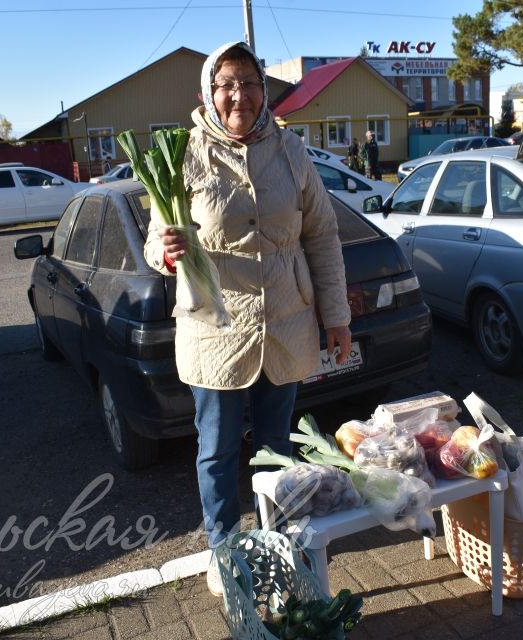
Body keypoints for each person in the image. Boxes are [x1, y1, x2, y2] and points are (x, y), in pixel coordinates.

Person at [143, 42, 352, 596]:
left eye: (250, 82)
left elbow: (322, 235)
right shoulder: (184, 154)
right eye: (227, 84)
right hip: (216, 329)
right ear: (208, 94)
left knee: (277, 447)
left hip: (285, 324)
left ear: (265, 90)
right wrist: (164, 249)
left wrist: (337, 316)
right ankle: (223, 549)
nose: (239, 94)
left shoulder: (291, 151)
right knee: (216, 450)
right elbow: (153, 243)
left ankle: (277, 538)